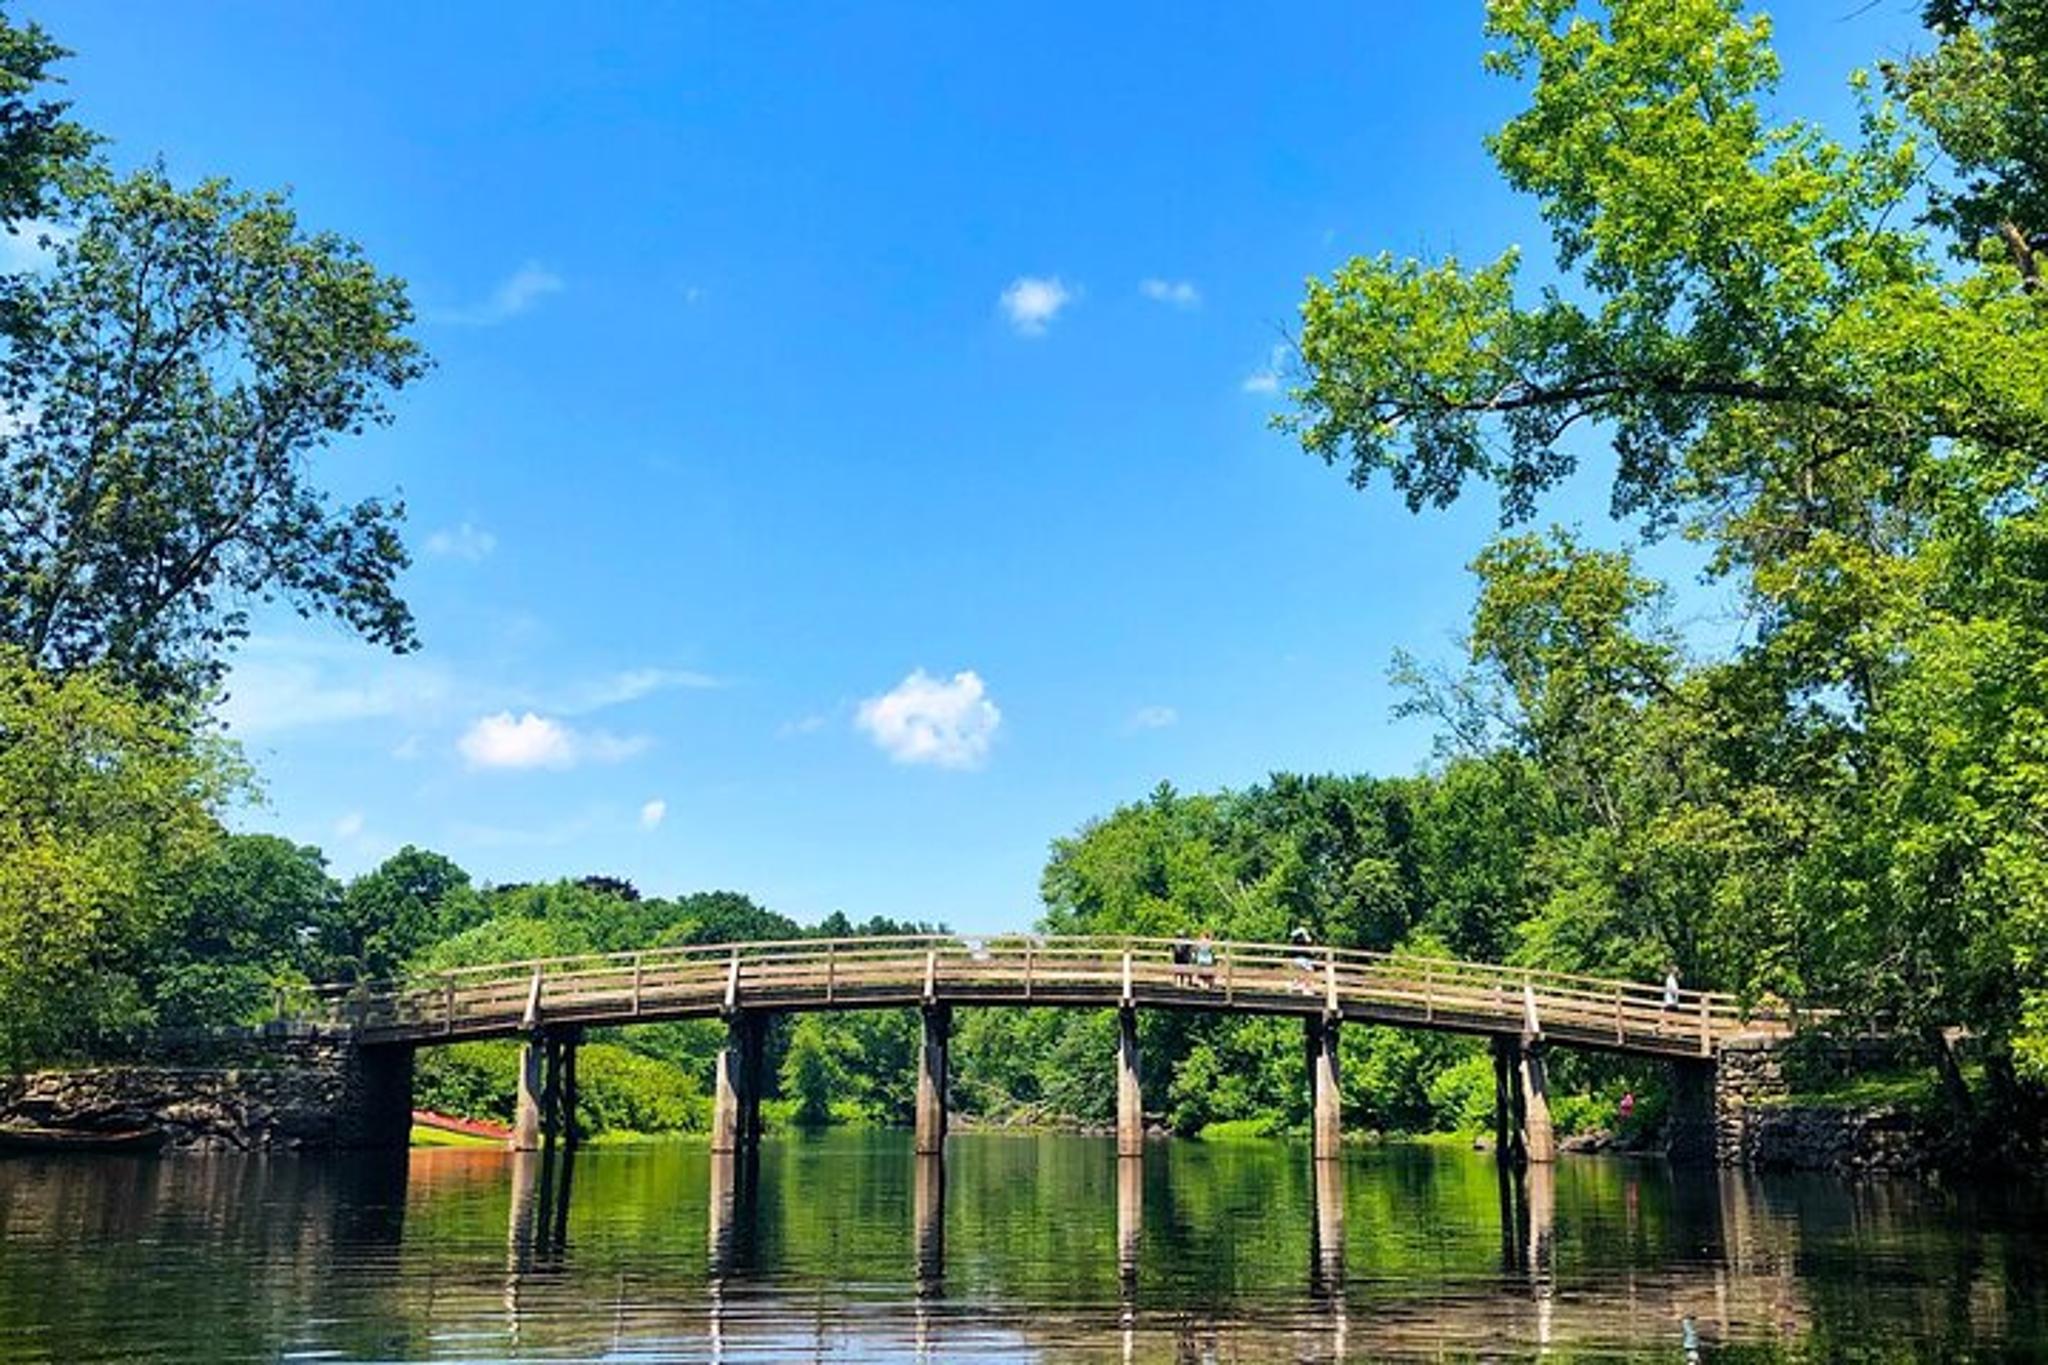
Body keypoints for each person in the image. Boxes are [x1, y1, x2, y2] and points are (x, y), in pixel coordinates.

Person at [1290, 924, 1316, 994]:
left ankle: (1301, 985)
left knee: (1307, 970)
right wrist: (1303, 932)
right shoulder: (1300, 933)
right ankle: (1304, 986)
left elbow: (1309, 941)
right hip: (1300, 957)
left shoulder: (1301, 933)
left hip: (1301, 957)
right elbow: (1309, 941)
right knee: (1308, 970)